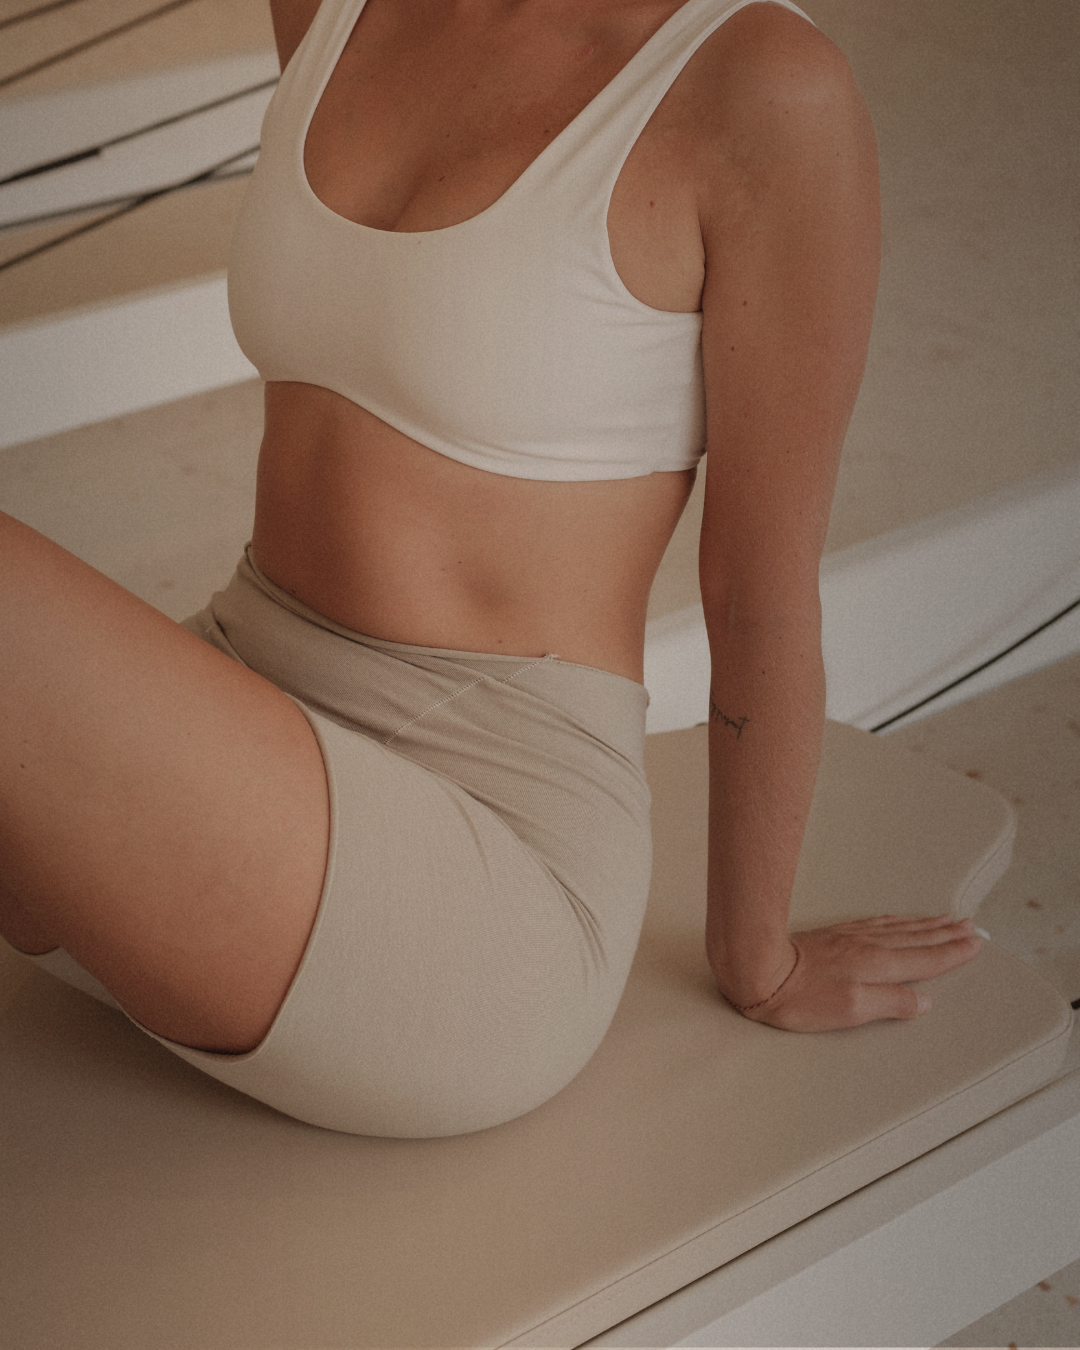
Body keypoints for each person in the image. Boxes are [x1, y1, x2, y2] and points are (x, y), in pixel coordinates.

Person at [0, 0, 982, 1136]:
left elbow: (758, 588)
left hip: (484, 871)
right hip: (241, 744)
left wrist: (757, 959)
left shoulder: (760, 86)